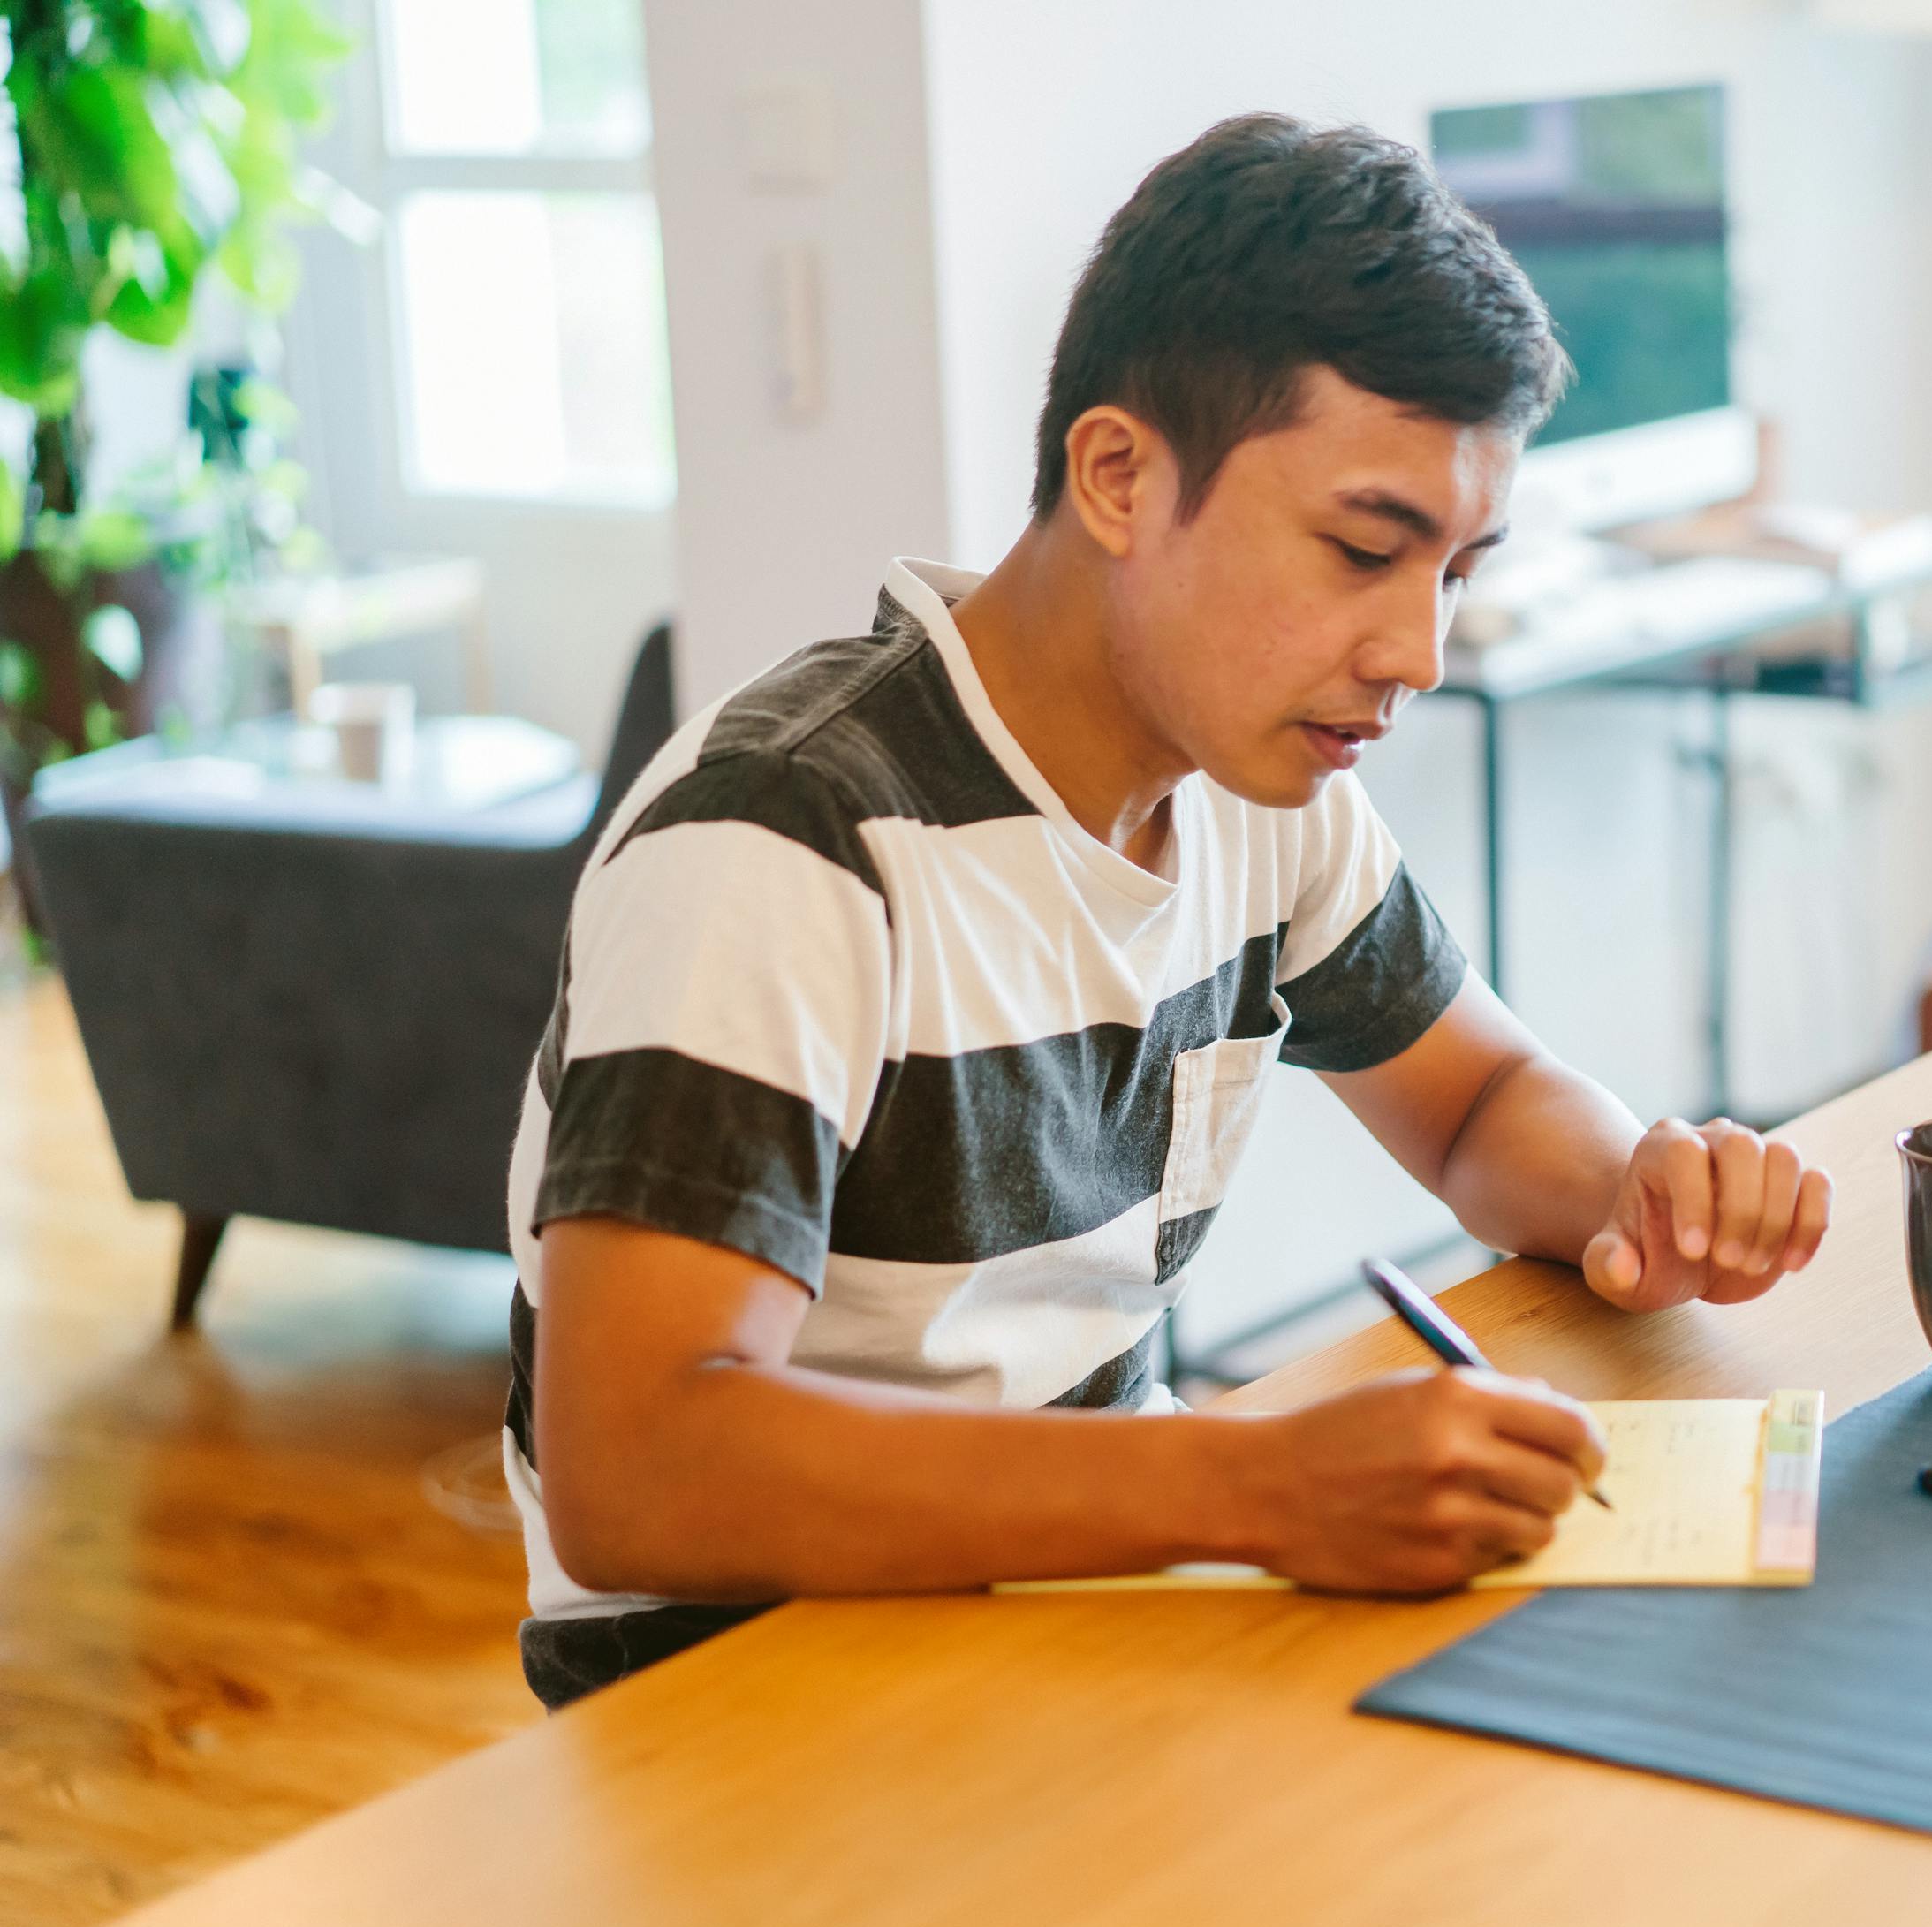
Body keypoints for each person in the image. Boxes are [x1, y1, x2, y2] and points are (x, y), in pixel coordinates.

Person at [504, 112, 1835, 1708]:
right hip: (747, 1688)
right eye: (1363, 549)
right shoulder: (786, 841)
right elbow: (639, 1463)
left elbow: (1477, 1098)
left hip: (1076, 1620)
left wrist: (1639, 1187)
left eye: (1458, 573)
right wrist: (1253, 1485)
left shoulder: (1256, 800)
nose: (1415, 649)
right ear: (1120, 475)